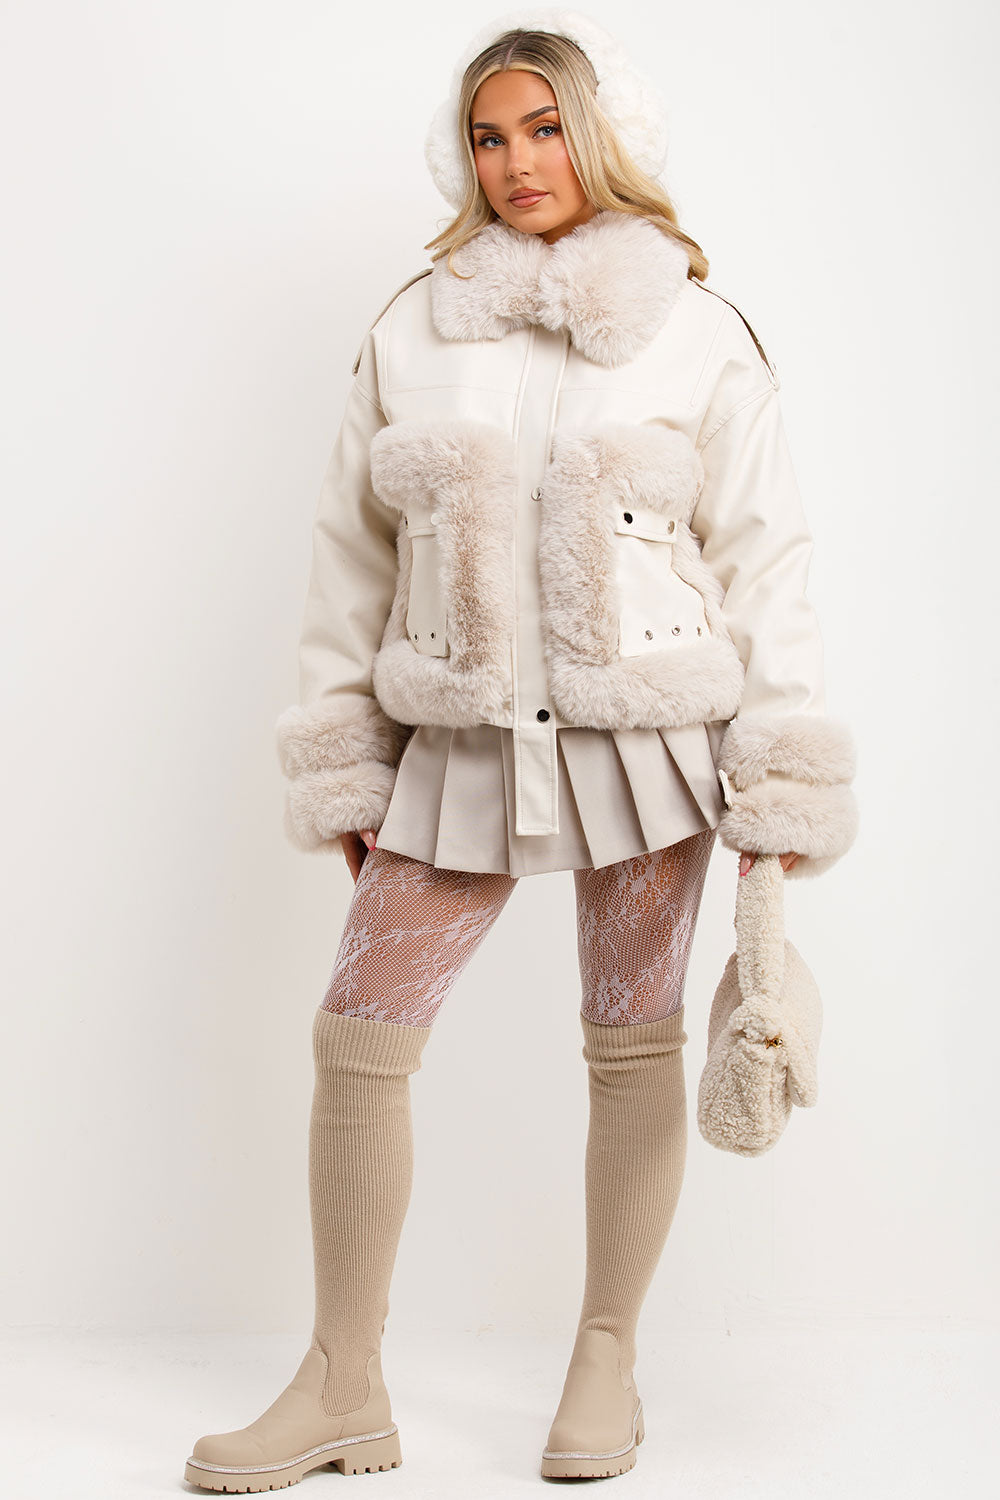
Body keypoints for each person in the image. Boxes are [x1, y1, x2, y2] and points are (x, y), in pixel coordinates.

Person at [183, 9, 858, 1491]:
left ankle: (606, 1356)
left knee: (632, 1043)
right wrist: (349, 763)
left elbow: (769, 561)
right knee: (359, 1039)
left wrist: (779, 789)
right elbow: (347, 561)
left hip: (652, 746)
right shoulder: (410, 328)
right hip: (460, 745)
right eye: (489, 137)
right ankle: (342, 1384)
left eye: (545, 127)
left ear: (601, 134)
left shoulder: (700, 328)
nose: (517, 161)